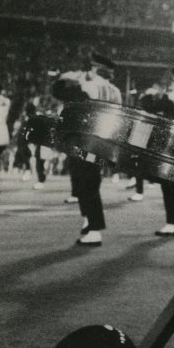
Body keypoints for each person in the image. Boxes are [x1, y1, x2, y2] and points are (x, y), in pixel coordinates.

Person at [52, 52, 122, 246]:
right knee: (90, 181)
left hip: (85, 139)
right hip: (104, 140)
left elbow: (57, 92)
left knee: (85, 183)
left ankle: (94, 228)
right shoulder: (115, 91)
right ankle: (89, 220)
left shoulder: (87, 86)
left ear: (94, 69)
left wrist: (71, 77)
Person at [133, 75, 174, 237]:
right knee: (171, 184)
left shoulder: (169, 99)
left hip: (170, 143)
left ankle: (172, 222)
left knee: (168, 185)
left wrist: (148, 96)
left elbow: (147, 109)